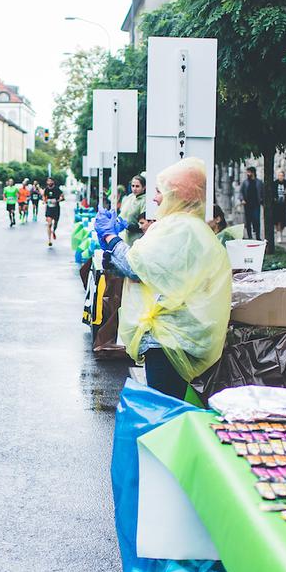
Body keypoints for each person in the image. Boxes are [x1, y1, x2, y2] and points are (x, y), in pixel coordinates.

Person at [95, 157, 231, 400]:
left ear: (176, 195)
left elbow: (136, 266)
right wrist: (113, 255)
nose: (155, 198)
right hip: (175, 336)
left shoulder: (179, 228)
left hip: (171, 338)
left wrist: (110, 239)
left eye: (159, 191)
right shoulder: (186, 227)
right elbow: (153, 273)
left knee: (163, 411)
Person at [119, 174, 147, 245]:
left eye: (137, 186)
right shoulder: (130, 197)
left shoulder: (145, 201)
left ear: (144, 187)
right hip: (126, 238)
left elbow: (145, 224)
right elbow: (122, 215)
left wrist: (130, 226)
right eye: (133, 186)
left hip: (138, 239)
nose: (134, 189)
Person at [239, 166, 263, 240]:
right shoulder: (245, 183)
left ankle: (258, 237)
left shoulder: (259, 182)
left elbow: (262, 192)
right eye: (247, 172)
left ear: (253, 173)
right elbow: (241, 192)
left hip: (256, 204)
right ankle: (250, 237)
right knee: (248, 221)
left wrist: (262, 200)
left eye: (249, 172)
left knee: (256, 221)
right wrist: (242, 199)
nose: (247, 174)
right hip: (247, 205)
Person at [272, 169, 286, 242]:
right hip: (276, 205)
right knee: (277, 221)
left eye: (282, 175)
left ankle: (280, 232)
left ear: (284, 176)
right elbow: (272, 193)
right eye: (279, 175)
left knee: (284, 221)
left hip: (284, 205)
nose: (280, 177)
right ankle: (279, 234)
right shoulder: (274, 183)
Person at [42, 176, 64, 247]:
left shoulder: (57, 189)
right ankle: (49, 240)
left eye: (50, 181)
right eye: (48, 181)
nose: (49, 182)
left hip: (56, 208)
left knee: (55, 223)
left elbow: (62, 197)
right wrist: (44, 200)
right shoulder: (46, 189)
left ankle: (54, 231)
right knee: (49, 224)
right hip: (49, 208)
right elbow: (44, 196)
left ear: (53, 182)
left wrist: (58, 200)